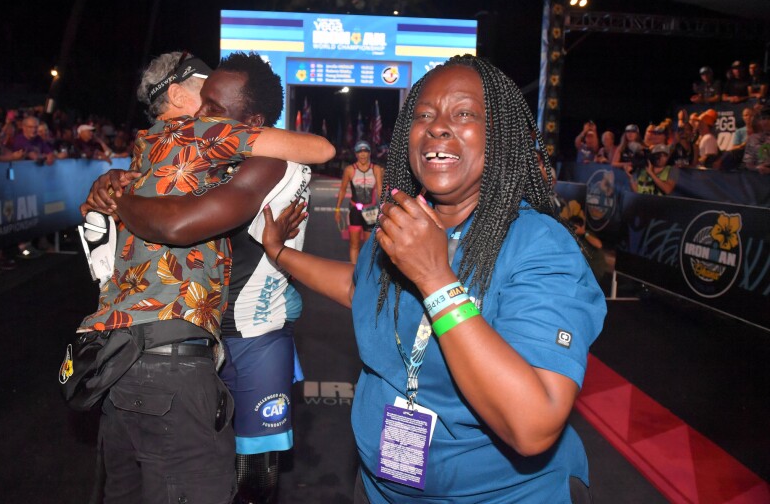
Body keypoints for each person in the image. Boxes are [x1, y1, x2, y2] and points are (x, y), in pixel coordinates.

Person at [261, 55, 606, 503]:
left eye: (464, 114)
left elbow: (533, 425)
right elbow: (358, 287)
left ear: (499, 135)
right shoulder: (406, 219)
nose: (438, 127)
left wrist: (436, 280)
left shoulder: (538, 245)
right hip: (380, 487)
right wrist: (280, 252)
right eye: (423, 115)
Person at [76, 51, 334, 504]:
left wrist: (125, 199)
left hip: (249, 334)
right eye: (203, 101)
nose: (201, 114)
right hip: (194, 335)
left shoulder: (267, 160)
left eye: (214, 107)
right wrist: (120, 180)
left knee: (252, 478)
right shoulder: (201, 151)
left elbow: (178, 223)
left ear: (254, 122)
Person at [335, 140, 383, 264]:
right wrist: (337, 209)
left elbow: (380, 190)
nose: (363, 155)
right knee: (354, 244)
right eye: (360, 152)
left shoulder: (376, 169)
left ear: (369, 153)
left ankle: (365, 272)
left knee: (369, 245)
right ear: (356, 154)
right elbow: (342, 190)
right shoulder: (350, 170)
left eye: (365, 152)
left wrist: (384, 208)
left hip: (371, 210)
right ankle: (354, 269)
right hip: (355, 210)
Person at [743, 101, 770, 174]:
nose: (765, 122)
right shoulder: (753, 139)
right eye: (763, 119)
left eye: (768, 119)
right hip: (756, 179)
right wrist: (757, 168)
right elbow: (748, 163)